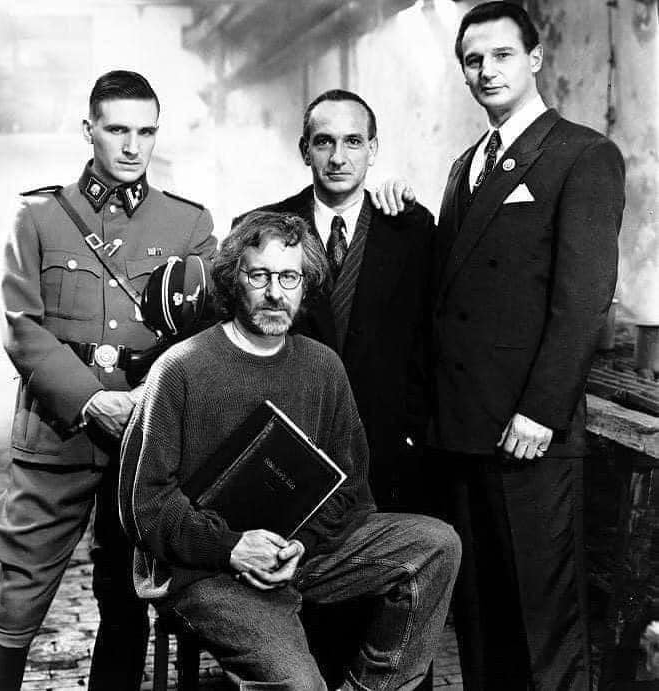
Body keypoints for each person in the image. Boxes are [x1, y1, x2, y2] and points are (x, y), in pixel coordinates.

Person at [119, 211, 461, 690]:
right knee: (301, 685)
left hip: (298, 555)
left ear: (305, 285)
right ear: (233, 280)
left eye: (289, 277)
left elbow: (351, 489)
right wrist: (232, 548)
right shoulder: (180, 369)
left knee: (436, 545)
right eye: (259, 276)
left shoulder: (322, 367)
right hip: (205, 570)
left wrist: (304, 545)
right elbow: (146, 507)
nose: (275, 293)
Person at [0, 70, 216, 691]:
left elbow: (202, 334)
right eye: (117, 130)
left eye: (146, 132)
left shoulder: (189, 224)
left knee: (126, 598)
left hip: (145, 436)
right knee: (18, 600)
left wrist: (147, 400)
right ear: (89, 130)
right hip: (59, 436)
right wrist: (90, 398)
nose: (132, 146)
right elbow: (22, 327)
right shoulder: (39, 217)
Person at [427, 3, 625, 689]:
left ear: (535, 59)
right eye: (473, 60)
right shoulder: (466, 165)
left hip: (529, 433)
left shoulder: (582, 155)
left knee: (544, 632)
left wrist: (541, 410)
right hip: (465, 431)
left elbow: (583, 301)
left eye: (502, 54)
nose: (487, 70)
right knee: (482, 624)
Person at [241, 89, 435, 511]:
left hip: (389, 448)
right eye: (324, 141)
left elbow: (429, 340)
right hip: (292, 441)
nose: (338, 158)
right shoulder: (260, 228)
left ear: (373, 149)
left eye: (353, 141)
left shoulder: (412, 228)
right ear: (304, 150)